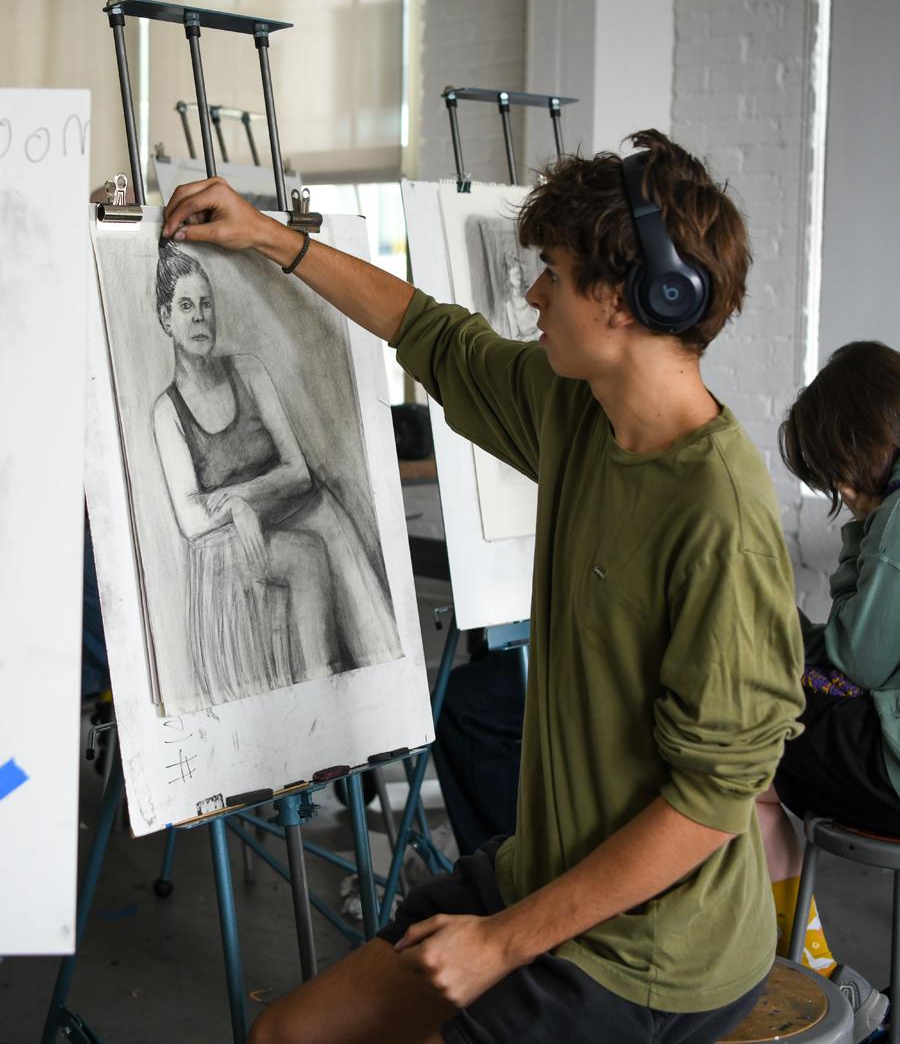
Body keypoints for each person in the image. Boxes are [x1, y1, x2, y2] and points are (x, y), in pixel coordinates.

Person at [162, 129, 805, 1044]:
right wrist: (272, 239)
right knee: (285, 1036)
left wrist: (502, 943)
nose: (534, 292)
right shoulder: (579, 412)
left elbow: (709, 806)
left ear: (631, 299)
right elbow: (431, 334)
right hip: (548, 875)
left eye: (553, 271)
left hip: (653, 957)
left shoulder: (720, 518)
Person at [153, 241, 401, 708]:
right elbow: (190, 520)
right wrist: (237, 512)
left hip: (275, 511)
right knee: (308, 553)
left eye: (206, 304)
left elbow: (299, 472)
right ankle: (323, 698)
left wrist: (242, 498)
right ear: (166, 320)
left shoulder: (248, 371)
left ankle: (382, 691)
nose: (200, 317)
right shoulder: (169, 413)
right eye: (186, 307)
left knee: (332, 519)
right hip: (226, 546)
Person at [757, 340, 900, 1042]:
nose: (839, 491)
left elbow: (853, 662)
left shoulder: (895, 520)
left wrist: (784, 629)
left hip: (892, 768)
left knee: (749, 744)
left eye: (835, 472)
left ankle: (812, 968)